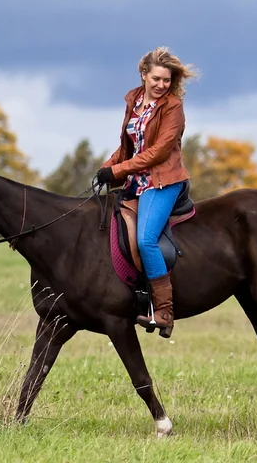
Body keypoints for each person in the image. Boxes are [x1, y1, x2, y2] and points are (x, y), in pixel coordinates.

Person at [95, 46, 198, 337]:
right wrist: (107, 168)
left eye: (166, 80)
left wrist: (117, 171)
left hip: (163, 181)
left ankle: (164, 310)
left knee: (145, 239)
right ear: (143, 75)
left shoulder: (173, 108)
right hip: (134, 181)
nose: (161, 85)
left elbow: (157, 152)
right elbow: (129, 147)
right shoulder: (134, 100)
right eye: (156, 79)